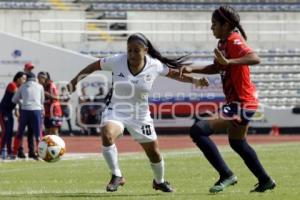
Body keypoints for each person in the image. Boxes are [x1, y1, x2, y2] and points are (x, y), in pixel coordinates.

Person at [68, 33, 208, 192]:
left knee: (154, 153)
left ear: (145, 50)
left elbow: (176, 74)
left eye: (136, 50)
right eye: (129, 50)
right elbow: (93, 66)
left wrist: (196, 80)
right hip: (116, 111)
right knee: (107, 133)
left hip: (140, 116)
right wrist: (74, 82)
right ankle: (117, 175)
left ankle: (159, 181)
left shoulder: (154, 65)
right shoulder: (116, 61)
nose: (132, 54)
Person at [180, 5, 276, 193]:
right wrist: (193, 68)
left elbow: (255, 58)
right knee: (237, 142)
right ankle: (265, 180)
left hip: (242, 103)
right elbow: (217, 67)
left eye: (214, 24)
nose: (211, 28)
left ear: (226, 25)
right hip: (240, 103)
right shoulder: (223, 43)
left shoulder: (233, 39)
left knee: (198, 130)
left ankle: (226, 175)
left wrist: (229, 62)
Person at [12, 72, 44, 160]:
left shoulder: (22, 86)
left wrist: (22, 102)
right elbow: (42, 101)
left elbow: (14, 99)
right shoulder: (40, 86)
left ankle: (14, 153)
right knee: (38, 134)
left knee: (20, 133)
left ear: (27, 79)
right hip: (36, 111)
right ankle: (40, 153)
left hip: (25, 111)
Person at [0, 72, 26, 159]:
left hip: (9, 112)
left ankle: (9, 152)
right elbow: (18, 95)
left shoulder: (19, 88)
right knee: (5, 132)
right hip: (3, 111)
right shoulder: (12, 85)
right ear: (18, 78)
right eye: (23, 79)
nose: (24, 81)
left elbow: (16, 101)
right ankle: (1, 151)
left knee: (10, 132)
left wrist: (16, 110)